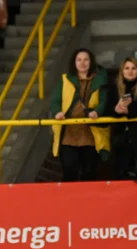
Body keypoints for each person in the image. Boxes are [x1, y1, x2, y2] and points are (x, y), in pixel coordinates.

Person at [51, 48, 109, 182]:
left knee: (89, 172)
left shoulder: (100, 79)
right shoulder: (65, 79)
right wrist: (57, 113)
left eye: (86, 59)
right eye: (79, 60)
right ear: (74, 63)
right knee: (69, 170)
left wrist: (97, 111)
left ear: (91, 62)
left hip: (90, 132)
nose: (82, 63)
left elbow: (104, 100)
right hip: (69, 133)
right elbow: (56, 101)